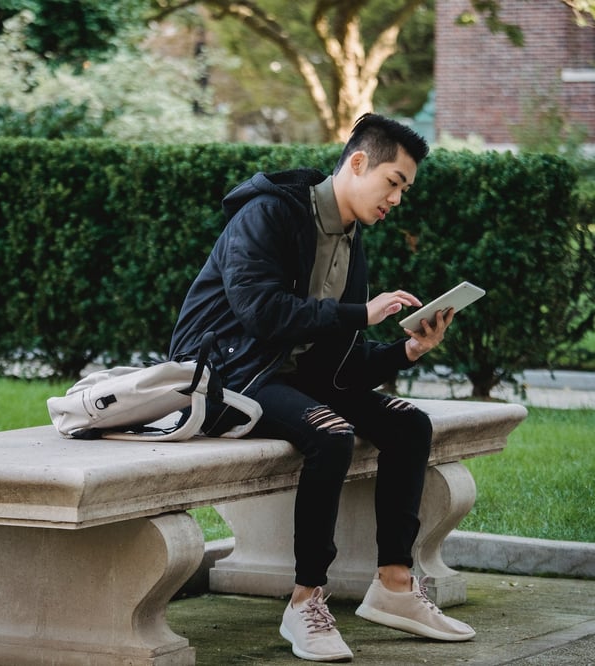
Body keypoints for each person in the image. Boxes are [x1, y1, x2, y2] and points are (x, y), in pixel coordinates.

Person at [168, 113, 475, 662]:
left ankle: (395, 586)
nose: (397, 199)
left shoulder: (351, 237)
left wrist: (408, 350)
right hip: (227, 373)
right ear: (358, 163)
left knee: (408, 424)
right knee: (330, 435)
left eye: (404, 188)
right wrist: (360, 311)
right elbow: (260, 312)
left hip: (288, 379)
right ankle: (305, 601)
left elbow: (342, 370)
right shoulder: (268, 214)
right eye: (394, 183)